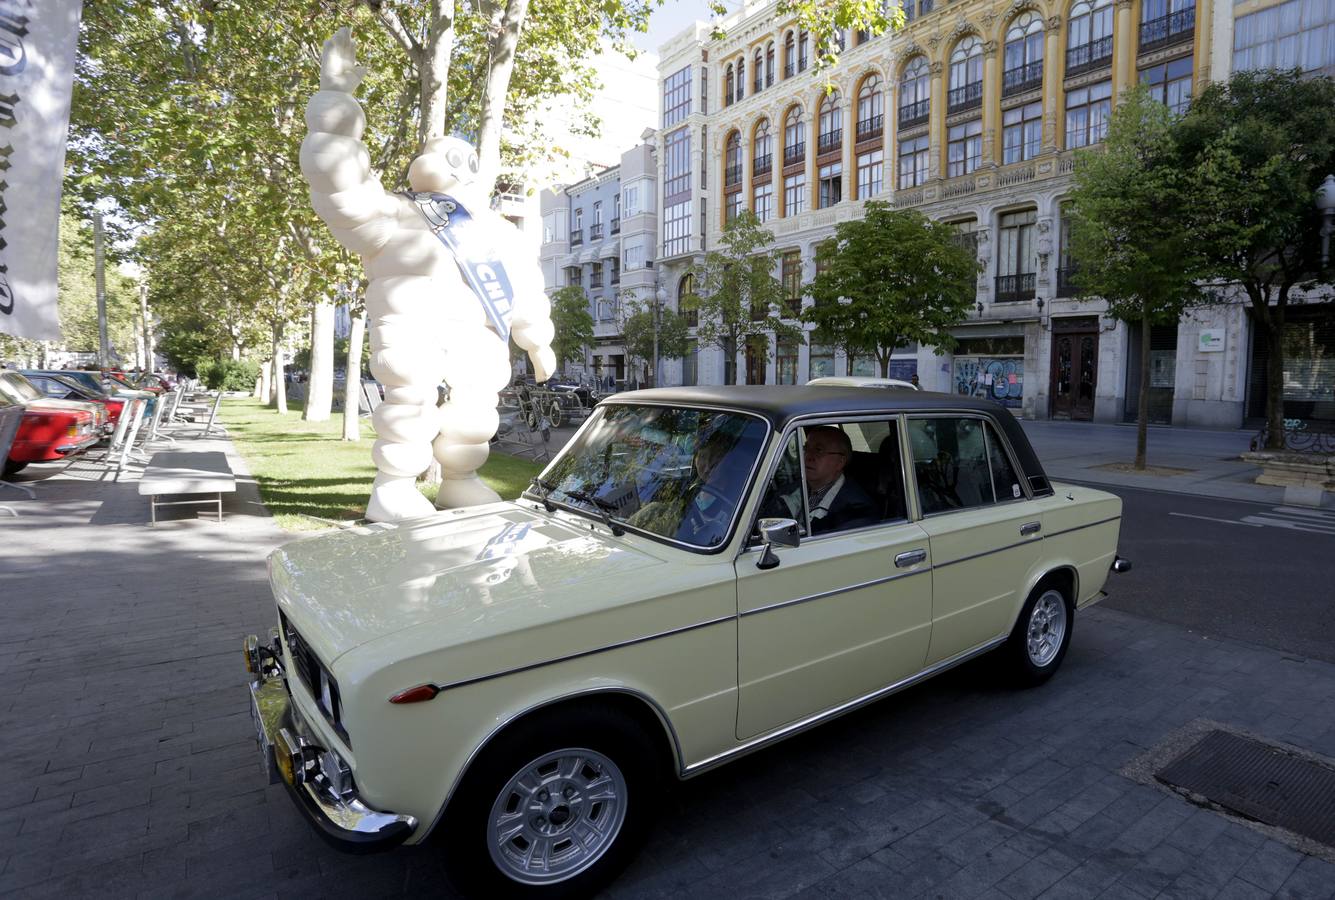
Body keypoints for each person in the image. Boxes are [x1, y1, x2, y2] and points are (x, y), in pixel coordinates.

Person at [629, 431, 743, 546]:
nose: (707, 466)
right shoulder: (686, 484)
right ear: (695, 458)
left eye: (716, 459)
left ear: (728, 462)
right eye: (703, 456)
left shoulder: (739, 496)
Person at [769, 426, 878, 535]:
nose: (808, 456)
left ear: (840, 462)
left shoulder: (857, 510)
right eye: (806, 448)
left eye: (819, 450)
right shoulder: (790, 489)